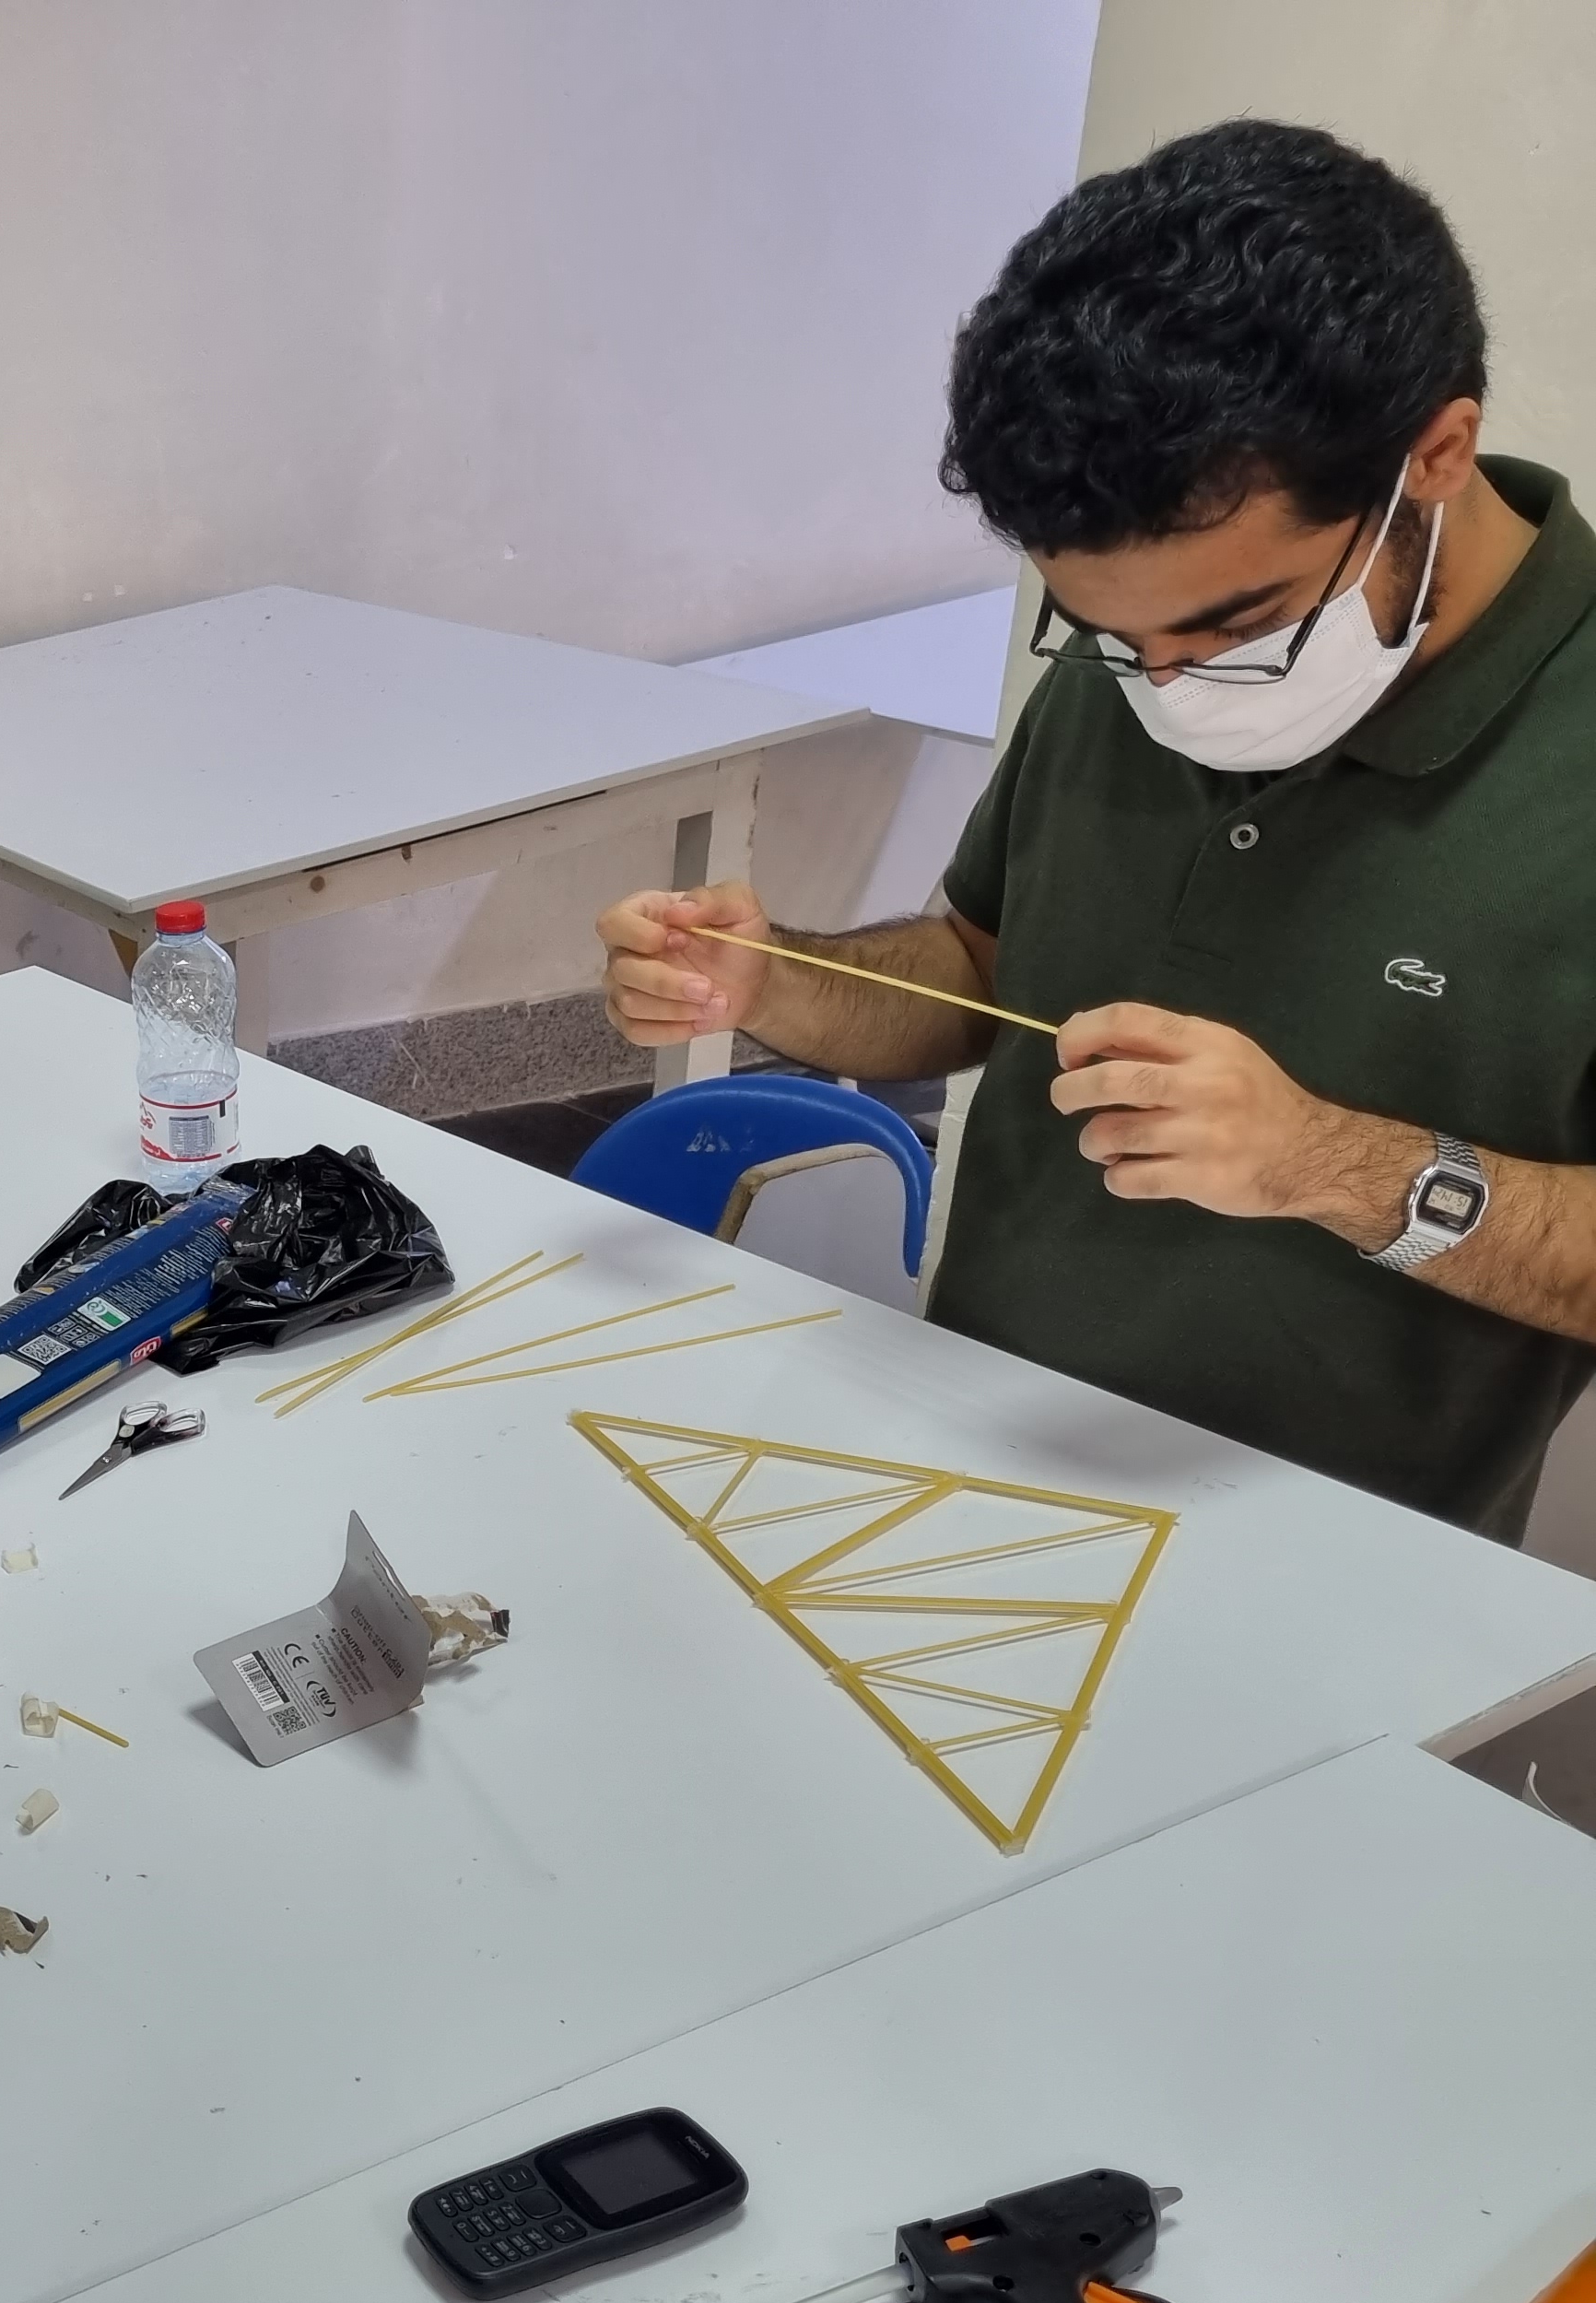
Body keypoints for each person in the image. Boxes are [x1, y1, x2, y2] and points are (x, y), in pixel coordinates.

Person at [601, 121, 1596, 1537]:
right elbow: (983, 967)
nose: (1172, 690)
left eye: (1241, 628)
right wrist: (779, 982)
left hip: (1343, 1571)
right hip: (975, 1453)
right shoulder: (1148, 640)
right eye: (1112, 637)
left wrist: (1328, 1162)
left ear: (1434, 455)